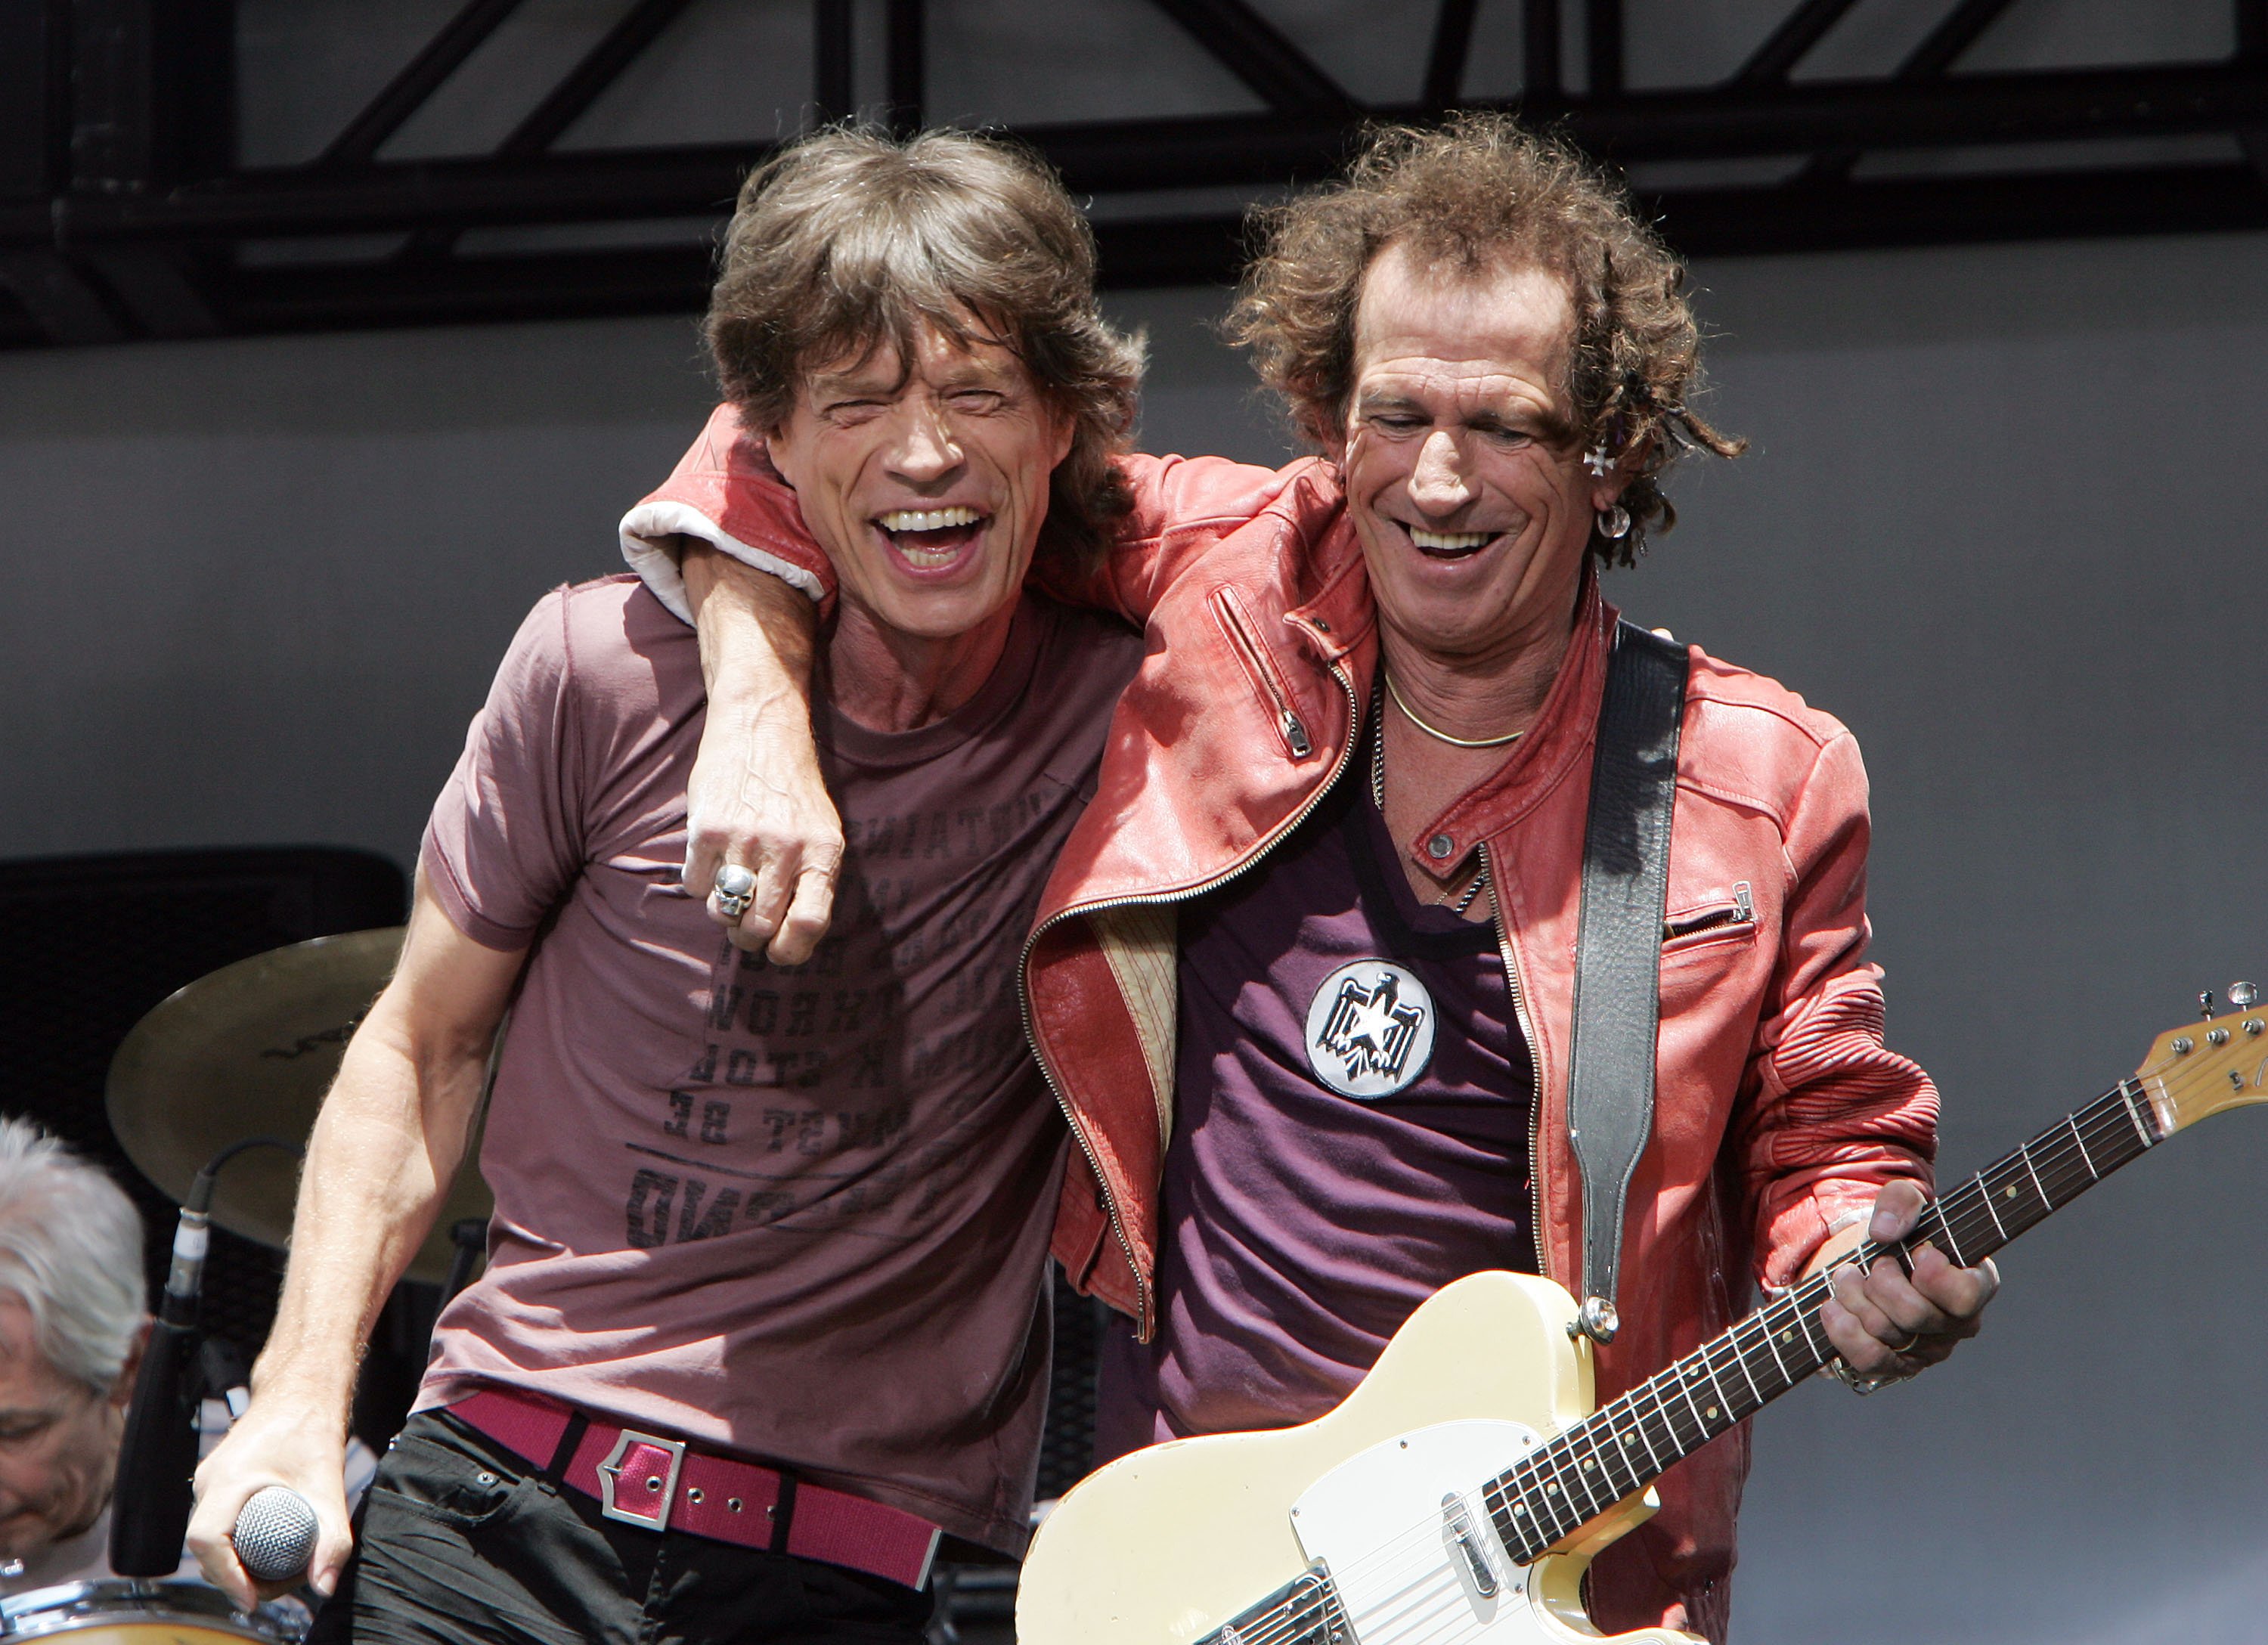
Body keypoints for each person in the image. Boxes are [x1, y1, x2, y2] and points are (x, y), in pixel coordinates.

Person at [640, 116, 1997, 1640]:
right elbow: (811, 450)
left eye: (1505, 427)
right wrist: (756, 711)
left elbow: (1831, 1140)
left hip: (1553, 1592)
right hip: (1188, 1570)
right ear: (1328, 420)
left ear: (1608, 446)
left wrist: (1862, 1247)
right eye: (1397, 414)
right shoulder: (1225, 571)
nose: (1437, 477)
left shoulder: (1754, 775)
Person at [184, 127, 1197, 1645]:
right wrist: (296, 1396)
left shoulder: (1134, 709)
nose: (924, 452)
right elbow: (418, 1041)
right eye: (858, 403)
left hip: (848, 1569)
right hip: (500, 1507)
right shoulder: (596, 665)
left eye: (978, 392)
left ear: (1063, 420)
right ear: (770, 447)